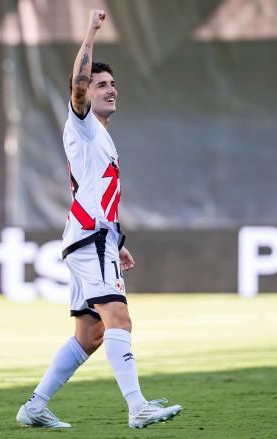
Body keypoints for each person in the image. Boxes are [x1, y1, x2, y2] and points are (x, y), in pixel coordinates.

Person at [16, 9, 182, 430]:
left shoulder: (102, 137)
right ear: (85, 94)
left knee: (90, 336)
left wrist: (117, 239)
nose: (110, 90)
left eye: (113, 85)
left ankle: (35, 406)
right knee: (119, 320)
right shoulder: (83, 125)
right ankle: (137, 406)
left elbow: (94, 193)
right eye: (101, 84)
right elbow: (76, 84)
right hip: (90, 241)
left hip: (92, 237)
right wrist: (90, 32)